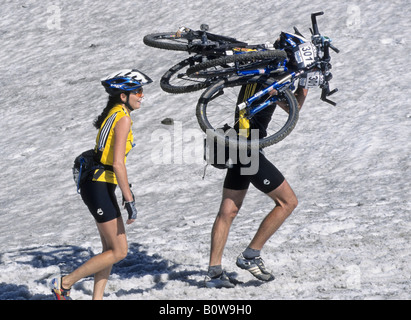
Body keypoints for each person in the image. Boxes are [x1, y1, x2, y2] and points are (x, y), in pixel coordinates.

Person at [51, 69, 153, 299]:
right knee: (119, 250)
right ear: (123, 96)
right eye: (137, 91)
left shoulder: (115, 112)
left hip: (99, 183)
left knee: (109, 250)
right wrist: (129, 198)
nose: (142, 95)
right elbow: (118, 163)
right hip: (98, 184)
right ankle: (64, 283)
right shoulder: (123, 117)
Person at [205, 82, 308, 288]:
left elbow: (290, 105)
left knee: (228, 211)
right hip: (248, 149)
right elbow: (292, 109)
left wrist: (299, 88)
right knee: (288, 202)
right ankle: (251, 255)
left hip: (237, 143)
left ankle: (214, 273)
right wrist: (304, 85)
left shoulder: (259, 69)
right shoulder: (271, 75)